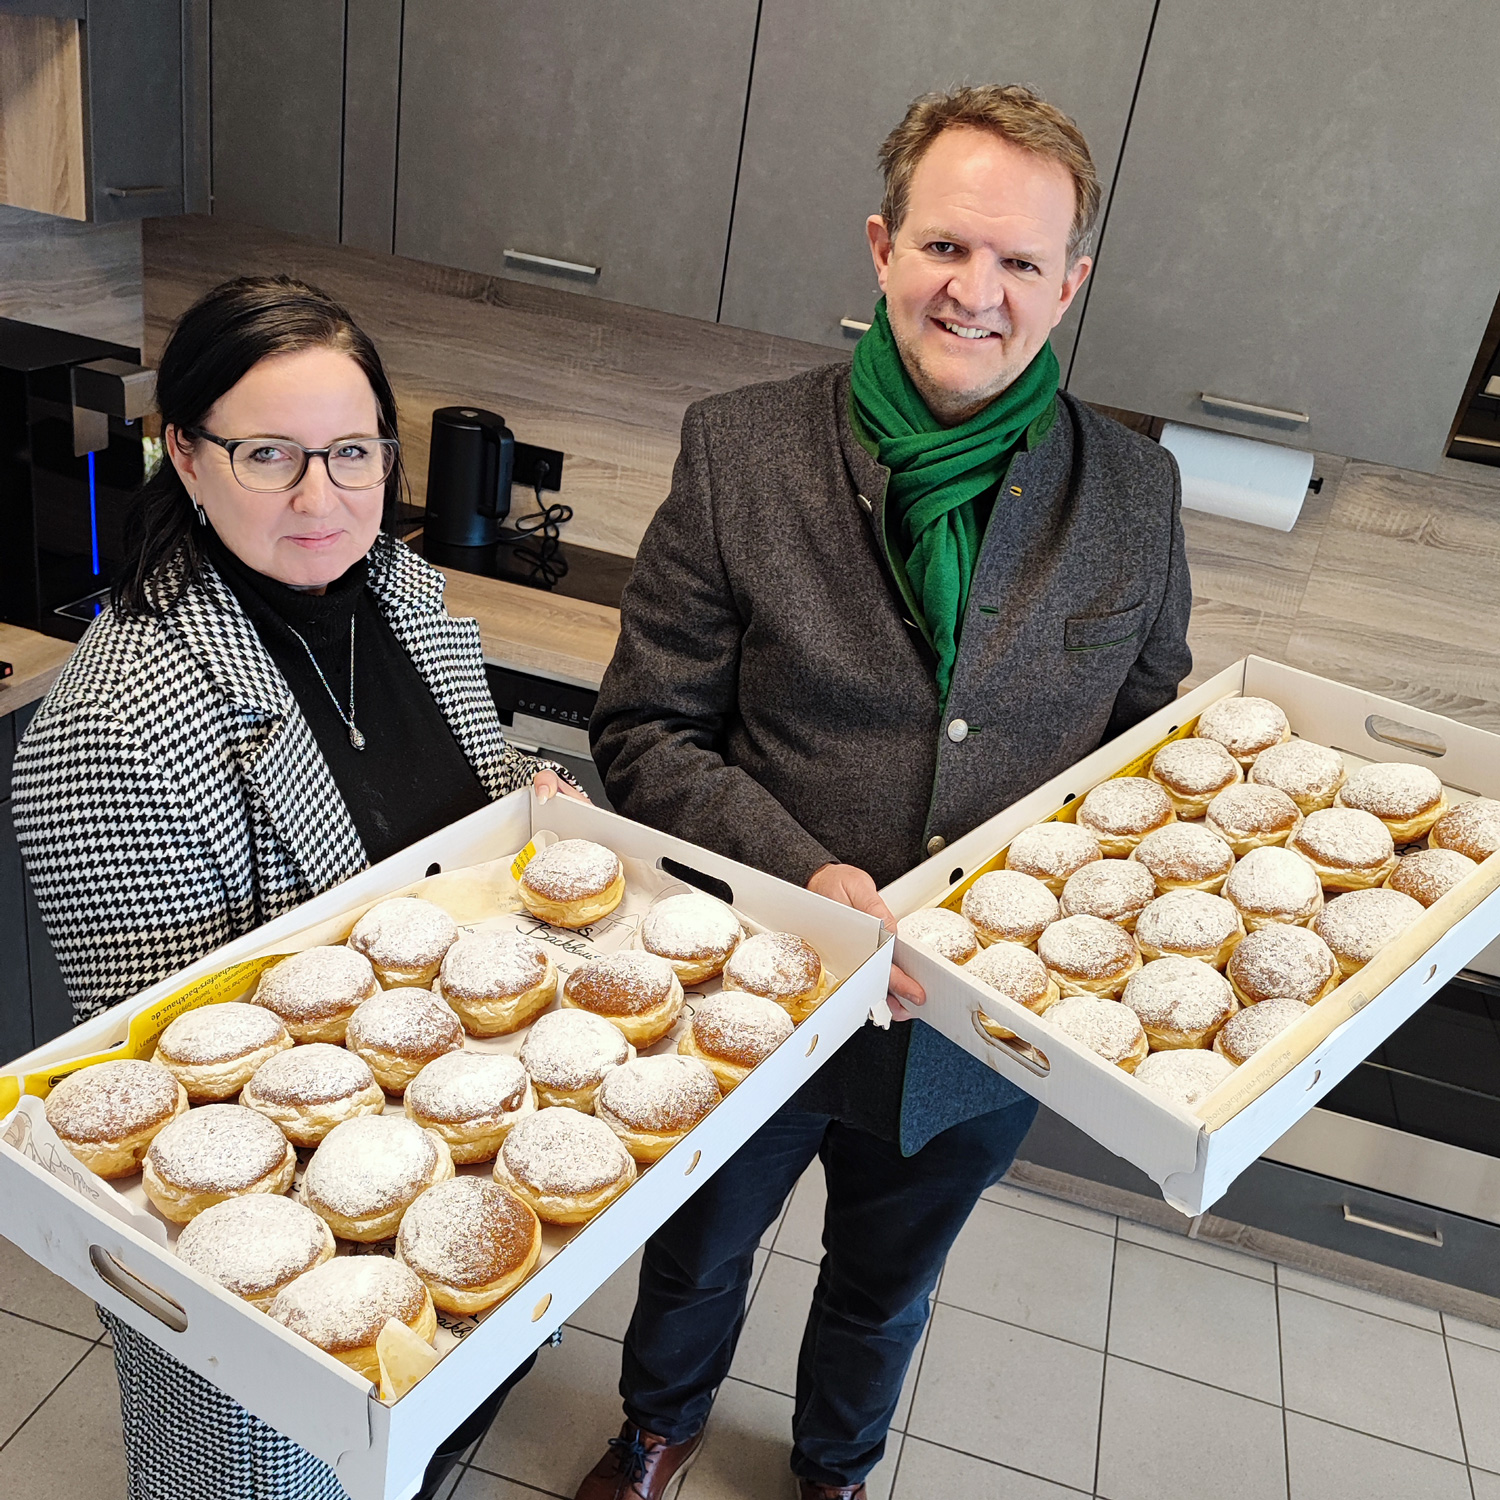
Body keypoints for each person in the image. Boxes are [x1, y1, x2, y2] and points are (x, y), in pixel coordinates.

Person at [581, 84, 1192, 1500]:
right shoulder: (741, 451)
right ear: (882, 247)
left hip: (979, 1026)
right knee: (697, 1245)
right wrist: (807, 882)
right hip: (757, 974)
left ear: (1069, 284)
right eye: (945, 246)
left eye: (1020, 260)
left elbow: (1146, 762)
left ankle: (836, 1468)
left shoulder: (1135, 496)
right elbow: (647, 729)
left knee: (887, 1280)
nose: (977, 290)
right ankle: (657, 1427)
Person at [12, 276, 581, 1500]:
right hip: (276, 1279)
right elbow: (185, 1095)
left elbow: (460, 818)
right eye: (269, 454)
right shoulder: (116, 728)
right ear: (186, 454)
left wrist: (535, 812)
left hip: (451, 1177)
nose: (321, 497)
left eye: (352, 452)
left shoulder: (404, 603)